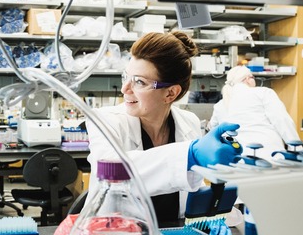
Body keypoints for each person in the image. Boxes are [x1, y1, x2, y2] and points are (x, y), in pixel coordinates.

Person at [86, 31, 242, 223]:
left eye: (139, 82)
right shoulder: (104, 120)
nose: (125, 89)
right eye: (126, 76)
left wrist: (218, 211)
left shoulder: (189, 122)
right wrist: (190, 155)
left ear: (170, 93)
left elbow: (193, 187)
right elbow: (114, 172)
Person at [208, 65, 300, 159]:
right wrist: (297, 151)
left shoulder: (220, 105)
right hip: (269, 156)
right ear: (248, 78)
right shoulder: (263, 93)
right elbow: (282, 121)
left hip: (237, 160)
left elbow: (212, 130)